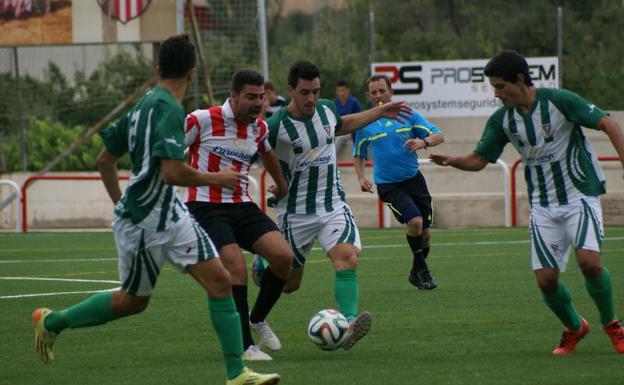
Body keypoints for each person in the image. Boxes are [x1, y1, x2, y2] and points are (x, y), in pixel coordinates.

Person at [31, 34, 280, 385]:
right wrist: (217, 179)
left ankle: (237, 373)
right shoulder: (166, 109)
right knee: (132, 302)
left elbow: (105, 159)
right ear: (192, 73)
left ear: (158, 67)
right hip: (146, 222)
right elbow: (172, 171)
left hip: (171, 215)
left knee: (221, 281)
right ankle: (52, 321)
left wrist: (121, 202)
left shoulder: (143, 104)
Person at [430, 50, 624, 355]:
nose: (496, 94)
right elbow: (480, 160)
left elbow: (609, 124)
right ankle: (575, 327)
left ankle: (612, 324)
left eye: (500, 86)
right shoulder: (502, 120)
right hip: (542, 205)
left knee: (589, 262)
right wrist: (454, 160)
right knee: (546, 281)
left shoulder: (560, 100)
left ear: (519, 80)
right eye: (493, 87)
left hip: (579, 194)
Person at [265, 60, 411, 350]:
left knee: (347, 258)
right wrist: (278, 183)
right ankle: (262, 265)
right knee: (289, 284)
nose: (311, 98)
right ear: (290, 90)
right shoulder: (276, 124)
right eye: (305, 92)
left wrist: (382, 110)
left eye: (316, 91)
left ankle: (348, 324)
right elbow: (255, 149)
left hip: (332, 204)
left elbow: (346, 125)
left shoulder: (327, 109)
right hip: (294, 213)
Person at [184, 69, 293, 361]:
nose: (259, 103)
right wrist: (211, 177)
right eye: (251, 97)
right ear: (233, 96)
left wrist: (282, 186)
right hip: (205, 206)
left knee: (284, 258)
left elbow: (267, 153)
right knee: (236, 266)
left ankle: (256, 319)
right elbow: (168, 159)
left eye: (261, 97)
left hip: (241, 205)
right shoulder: (201, 120)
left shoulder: (258, 127)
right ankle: (244, 346)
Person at [353, 75, 444, 290]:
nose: (378, 96)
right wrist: (361, 177)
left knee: (426, 234)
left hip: (415, 181)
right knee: (414, 222)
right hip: (389, 185)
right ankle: (423, 270)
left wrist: (423, 142)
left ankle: (415, 272)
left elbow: (438, 135)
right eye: (373, 92)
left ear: (390, 92)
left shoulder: (408, 115)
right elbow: (359, 154)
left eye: (381, 91)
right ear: (368, 96)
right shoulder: (365, 124)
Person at [333, 80, 362, 153]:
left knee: (341, 138)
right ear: (336, 92)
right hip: (337, 130)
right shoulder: (334, 103)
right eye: (339, 90)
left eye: (343, 90)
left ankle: (332, 156)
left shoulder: (354, 102)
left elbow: (358, 120)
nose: (341, 93)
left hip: (351, 130)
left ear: (348, 91)